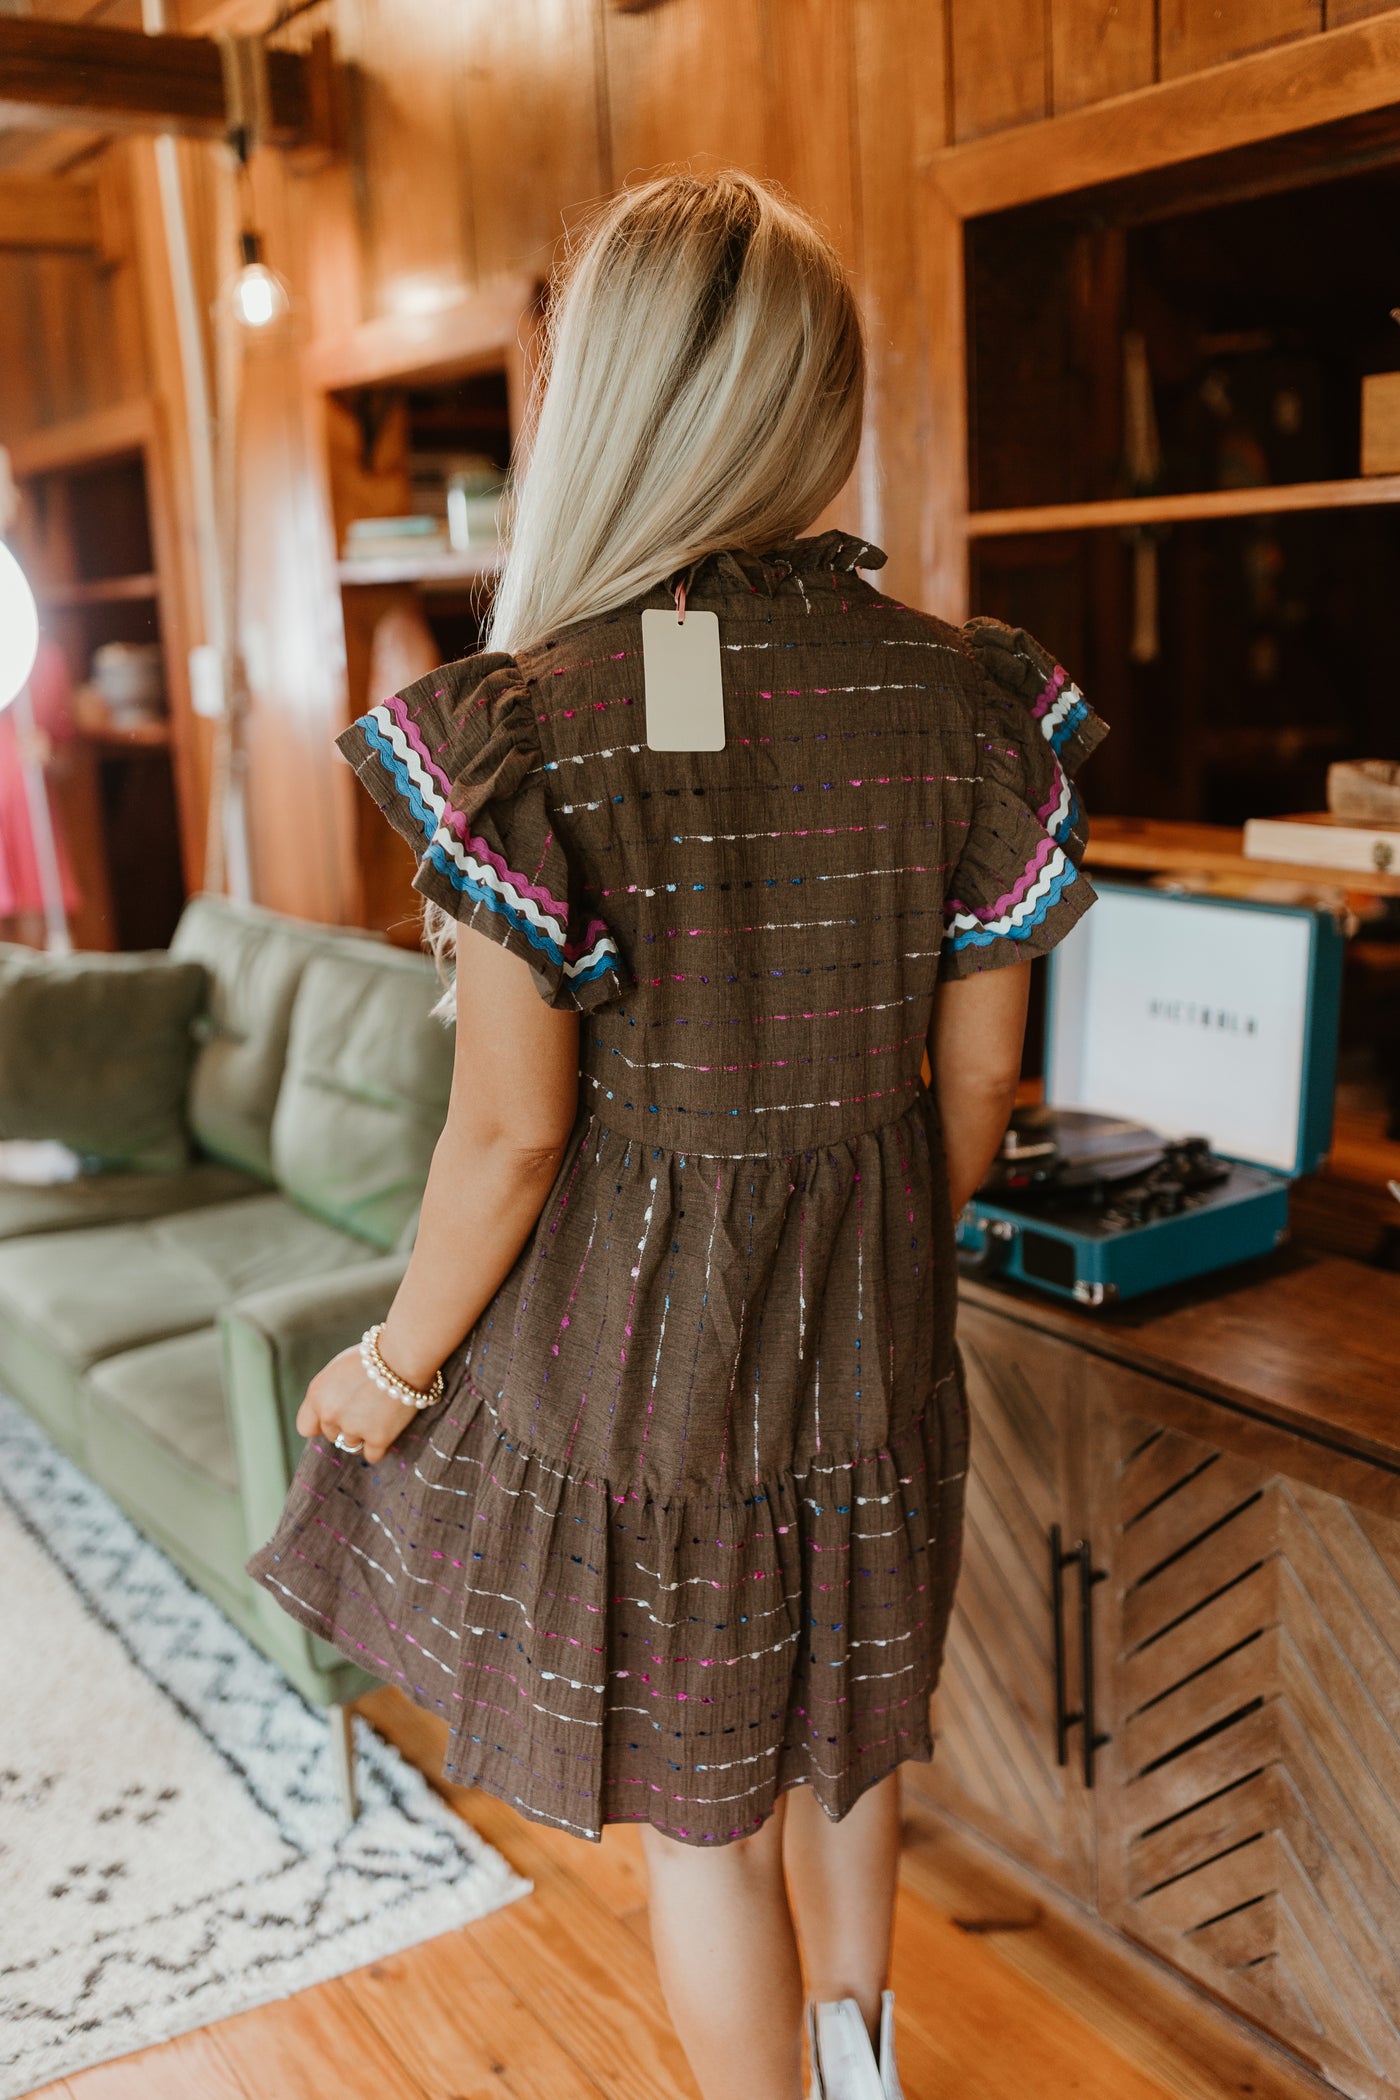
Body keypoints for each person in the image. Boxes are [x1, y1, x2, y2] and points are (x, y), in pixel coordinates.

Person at [248, 171, 1105, 2100]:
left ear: (609, 397)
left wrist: (388, 1373)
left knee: (713, 1816)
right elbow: (975, 1092)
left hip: (652, 1360)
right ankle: (862, 2076)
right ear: (815, 392)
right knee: (848, 1736)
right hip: (877, 1329)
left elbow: (511, 1143)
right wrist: (876, 1238)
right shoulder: (968, 697)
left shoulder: (529, 724)